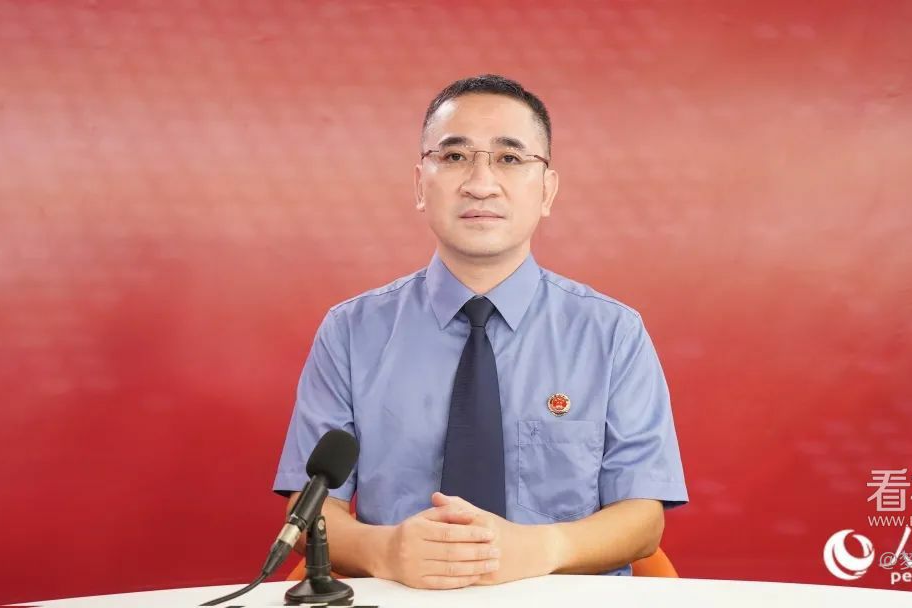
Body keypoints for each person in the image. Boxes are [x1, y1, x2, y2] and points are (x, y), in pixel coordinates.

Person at [273, 74, 688, 590]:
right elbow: (312, 506)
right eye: (454, 156)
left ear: (547, 190)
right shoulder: (350, 333)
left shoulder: (612, 334)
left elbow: (643, 518)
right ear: (420, 185)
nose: (480, 182)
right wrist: (387, 550)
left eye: (509, 158)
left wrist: (541, 548)